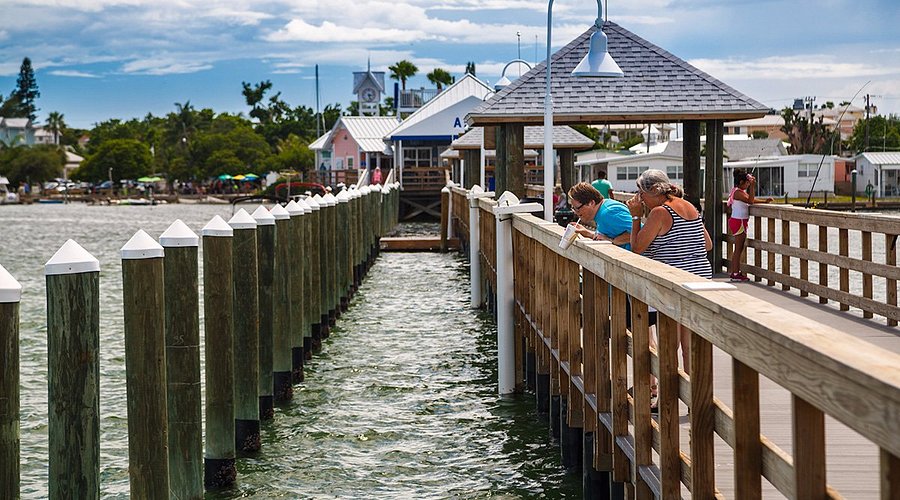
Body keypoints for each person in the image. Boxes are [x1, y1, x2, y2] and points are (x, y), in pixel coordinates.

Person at [626, 169, 712, 409]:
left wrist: (635, 217)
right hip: (699, 280)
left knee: (669, 345)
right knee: (689, 347)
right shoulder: (689, 207)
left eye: (641, 193)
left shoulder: (659, 212)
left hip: (674, 284)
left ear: (654, 191)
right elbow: (707, 244)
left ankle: (667, 399)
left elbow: (637, 248)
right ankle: (695, 401)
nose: (639, 199)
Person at [727, 169, 772, 281]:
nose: (748, 184)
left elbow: (749, 199)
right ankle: (735, 273)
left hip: (739, 221)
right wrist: (752, 186)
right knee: (738, 248)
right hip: (739, 221)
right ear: (741, 182)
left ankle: (735, 272)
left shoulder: (738, 191)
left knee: (739, 248)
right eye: (747, 183)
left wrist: (764, 201)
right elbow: (750, 201)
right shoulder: (738, 192)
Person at [566, 182, 632, 249]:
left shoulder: (609, 213)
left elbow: (638, 232)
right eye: (573, 208)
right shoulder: (600, 211)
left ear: (591, 203)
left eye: (577, 208)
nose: (576, 213)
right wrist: (588, 234)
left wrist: (612, 241)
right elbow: (605, 236)